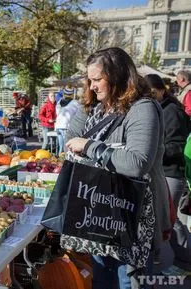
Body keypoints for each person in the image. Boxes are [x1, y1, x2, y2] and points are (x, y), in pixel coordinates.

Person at [65, 47, 171, 289]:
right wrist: (86, 103)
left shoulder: (143, 109)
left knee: (129, 282)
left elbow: (136, 163)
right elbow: (71, 139)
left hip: (131, 221)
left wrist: (91, 146)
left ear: (118, 76)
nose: (92, 86)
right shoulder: (100, 107)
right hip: (100, 217)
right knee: (102, 280)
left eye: (97, 80)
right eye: (89, 80)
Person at [145, 74, 191, 271]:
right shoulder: (157, 108)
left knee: (169, 218)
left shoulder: (172, 111)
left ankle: (184, 260)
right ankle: (158, 257)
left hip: (172, 173)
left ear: (162, 90)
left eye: (153, 93)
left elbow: (177, 146)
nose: (150, 97)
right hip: (161, 172)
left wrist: (153, 152)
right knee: (160, 216)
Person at [55, 88, 79, 154]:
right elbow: (79, 114)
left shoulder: (59, 102)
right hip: (66, 126)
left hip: (58, 126)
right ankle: (65, 161)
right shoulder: (75, 102)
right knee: (67, 147)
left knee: (61, 146)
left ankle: (59, 160)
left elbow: (57, 113)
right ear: (72, 94)